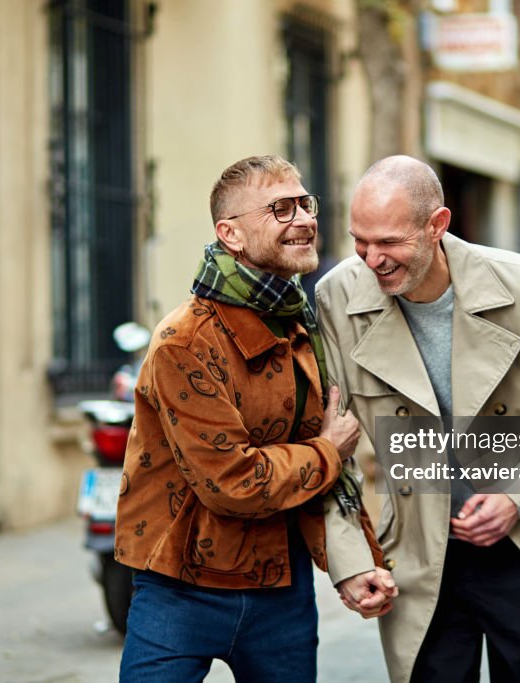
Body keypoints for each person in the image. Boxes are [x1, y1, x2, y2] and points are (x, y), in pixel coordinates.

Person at [317, 155, 520, 682]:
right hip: (418, 556)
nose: (372, 259)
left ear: (437, 225)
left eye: (389, 242)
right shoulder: (337, 296)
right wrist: (350, 560)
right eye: (359, 240)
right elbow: (332, 446)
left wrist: (517, 498)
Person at [114, 154, 385, 683]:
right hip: (179, 589)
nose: (304, 219)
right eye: (280, 209)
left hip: (281, 591)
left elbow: (326, 478)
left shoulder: (299, 324)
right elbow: (232, 482)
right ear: (230, 235)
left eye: (306, 204)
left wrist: (359, 562)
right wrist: (328, 450)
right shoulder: (184, 342)